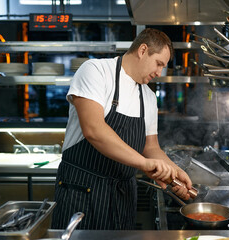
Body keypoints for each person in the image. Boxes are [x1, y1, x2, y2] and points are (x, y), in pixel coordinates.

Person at [51, 28, 193, 230]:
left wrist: (175, 174)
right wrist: (144, 164)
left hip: (122, 195)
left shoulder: (148, 97)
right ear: (143, 50)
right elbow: (94, 130)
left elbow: (151, 147)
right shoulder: (95, 71)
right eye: (159, 63)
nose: (159, 72)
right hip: (82, 190)